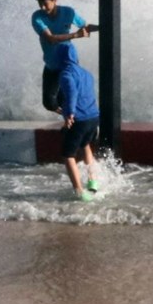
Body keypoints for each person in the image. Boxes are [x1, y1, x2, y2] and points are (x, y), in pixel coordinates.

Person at [31, 0, 91, 113]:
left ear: (55, 0)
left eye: (45, 4)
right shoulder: (37, 17)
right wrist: (75, 35)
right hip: (51, 65)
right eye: (40, 4)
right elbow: (51, 39)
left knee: (68, 99)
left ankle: (77, 121)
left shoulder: (69, 12)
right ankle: (70, 117)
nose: (42, 7)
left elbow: (86, 26)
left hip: (67, 63)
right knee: (49, 103)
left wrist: (103, 27)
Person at [54, 42, 101, 201]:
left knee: (68, 155)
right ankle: (93, 181)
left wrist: (70, 114)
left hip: (79, 119)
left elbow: (72, 93)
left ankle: (80, 191)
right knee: (85, 145)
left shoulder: (66, 74)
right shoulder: (87, 73)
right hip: (93, 116)